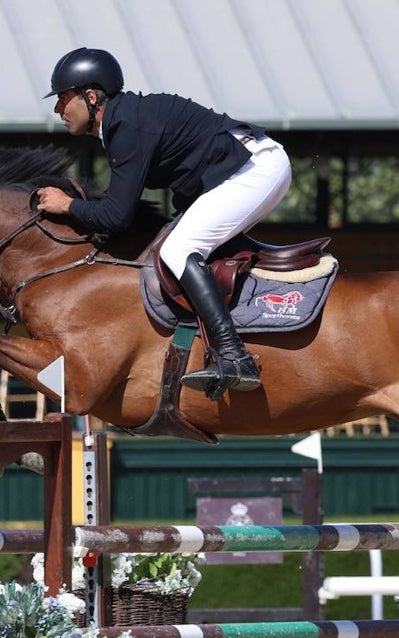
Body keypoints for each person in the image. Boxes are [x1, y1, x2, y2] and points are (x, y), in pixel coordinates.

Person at [34, 47, 292, 400]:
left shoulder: (126, 126)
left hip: (255, 171)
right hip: (242, 170)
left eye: (63, 98)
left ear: (90, 96)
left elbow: (117, 216)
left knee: (179, 248)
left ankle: (234, 357)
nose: (57, 109)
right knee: (173, 242)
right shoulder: (121, 123)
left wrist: (69, 206)